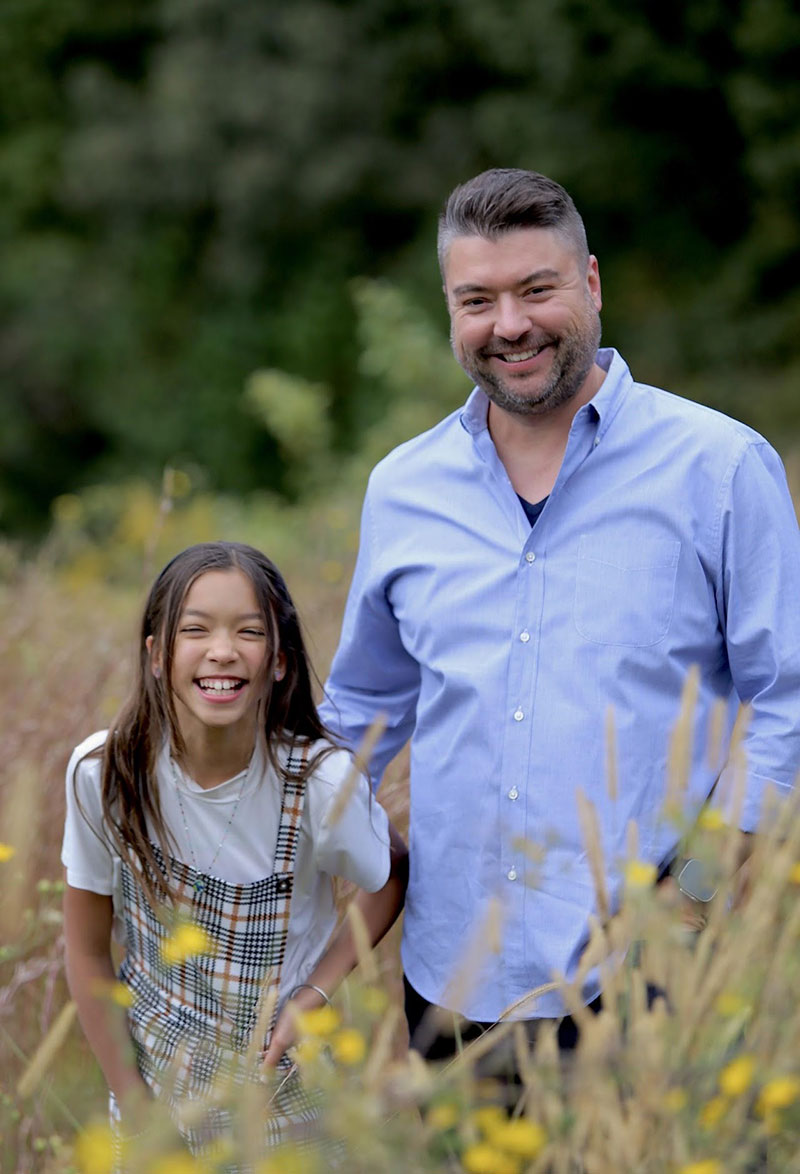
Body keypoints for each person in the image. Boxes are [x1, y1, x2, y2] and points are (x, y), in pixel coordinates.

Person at [319, 167, 800, 1057]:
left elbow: (789, 704)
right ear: (451, 311)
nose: (510, 325)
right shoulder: (402, 490)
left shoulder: (722, 468)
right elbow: (358, 720)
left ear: (590, 285)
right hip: (452, 985)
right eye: (478, 300)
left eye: (537, 289)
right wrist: (194, 789)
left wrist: (698, 889)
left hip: (657, 979)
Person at [62, 541, 408, 1159]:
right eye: (195, 629)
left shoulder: (318, 785)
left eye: (248, 631)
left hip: (284, 1097)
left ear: (278, 660)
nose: (222, 650)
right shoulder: (105, 774)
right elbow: (86, 953)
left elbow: (391, 871)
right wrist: (139, 1116)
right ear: (157, 655)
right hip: (149, 1090)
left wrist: (315, 996)